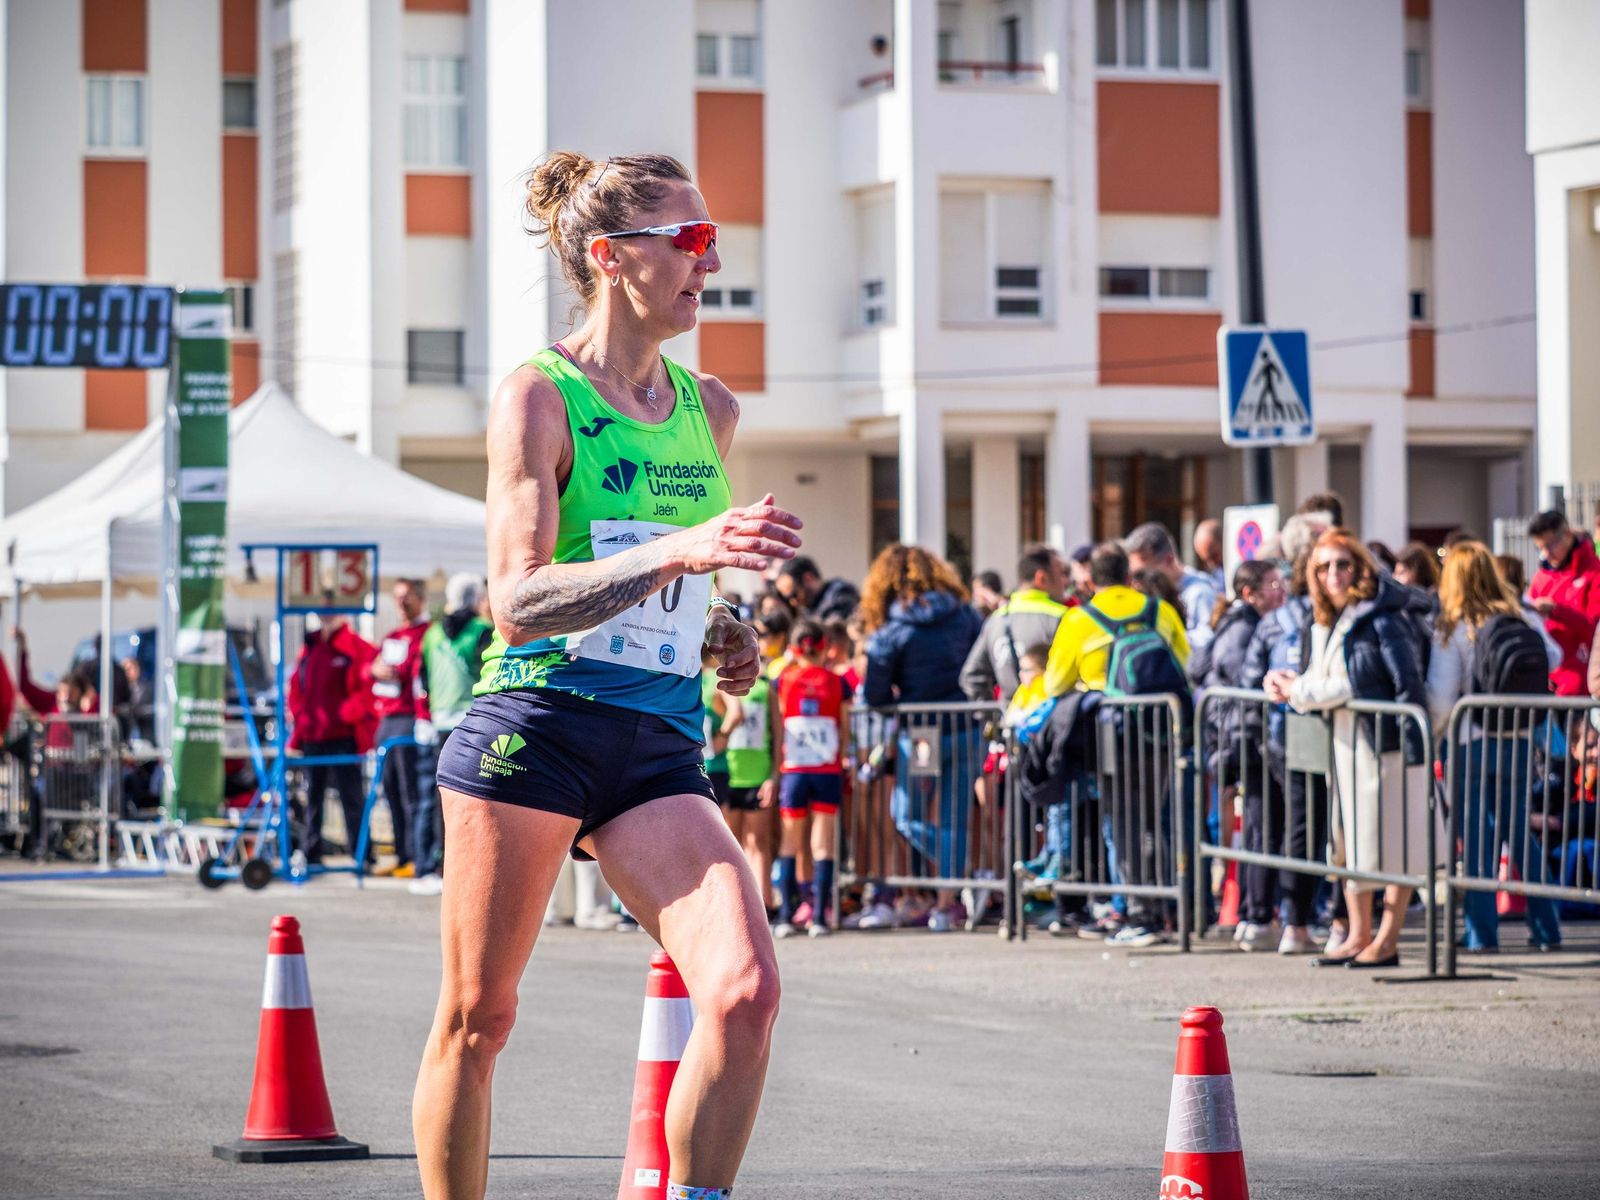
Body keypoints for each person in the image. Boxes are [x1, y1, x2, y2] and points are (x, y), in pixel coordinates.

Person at [416, 150, 801, 1200]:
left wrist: (721, 632)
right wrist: (684, 553)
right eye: (689, 240)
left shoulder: (709, 408)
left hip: (657, 747)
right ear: (610, 256)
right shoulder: (538, 397)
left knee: (745, 992)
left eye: (713, 240)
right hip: (535, 728)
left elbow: (674, 588)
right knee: (479, 1018)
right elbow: (518, 598)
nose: (709, 263)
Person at [1264, 530, 1431, 969]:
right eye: (1323, 567)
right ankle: (1359, 935)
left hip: (1385, 745)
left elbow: (1367, 682)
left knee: (1392, 847)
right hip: (1345, 745)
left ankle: (1386, 940)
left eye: (1342, 563)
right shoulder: (1329, 619)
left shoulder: (1382, 616)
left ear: (1359, 567)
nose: (1333, 574)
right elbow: (1325, 678)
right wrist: (1291, 684)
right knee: (1348, 843)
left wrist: (1299, 689)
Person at [1043, 541, 1190, 947]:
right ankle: (1162, 909)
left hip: (1112, 734)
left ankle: (1140, 914)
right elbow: (1185, 661)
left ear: (1090, 580)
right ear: (1128, 575)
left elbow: (1055, 683)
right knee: (1153, 820)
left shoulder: (1078, 619)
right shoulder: (1158, 609)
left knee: (1123, 826)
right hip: (1160, 728)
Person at [1425, 541, 1561, 953]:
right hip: (1518, 737)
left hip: (1470, 739)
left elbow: (1441, 696)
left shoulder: (1454, 626)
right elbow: (1553, 656)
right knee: (1519, 832)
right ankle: (1547, 928)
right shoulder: (1520, 615)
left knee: (1475, 838)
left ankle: (1481, 934)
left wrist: (1434, 732)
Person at [861, 543, 983, 930]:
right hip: (965, 725)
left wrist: (899, 699)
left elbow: (875, 693)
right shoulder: (965, 614)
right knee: (953, 816)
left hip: (921, 732)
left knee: (907, 815)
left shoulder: (893, 629)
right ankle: (949, 901)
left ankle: (956, 878)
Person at [1240, 513, 1332, 955]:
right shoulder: (1298, 614)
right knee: (1303, 830)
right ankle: (1296, 922)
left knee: (1304, 830)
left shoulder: (1293, 613)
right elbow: (1251, 676)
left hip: (1299, 733)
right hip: (1296, 734)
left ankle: (1298, 920)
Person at [1192, 561, 1286, 951]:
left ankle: (1254, 912)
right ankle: (1256, 914)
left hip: (1243, 738)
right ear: (1250, 593)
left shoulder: (1241, 624)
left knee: (1259, 827)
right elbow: (1239, 682)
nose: (1281, 591)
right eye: (1273, 584)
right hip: (1248, 739)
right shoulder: (1243, 628)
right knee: (1262, 827)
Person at [411, 575, 496, 895]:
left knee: (440, 798)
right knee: (478, 798)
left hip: (440, 722)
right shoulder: (482, 630)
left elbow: (422, 678)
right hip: (474, 720)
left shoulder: (432, 634)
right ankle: (471, 867)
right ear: (476, 599)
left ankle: (439, 865)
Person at [770, 618, 850, 938]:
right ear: (824, 646)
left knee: (790, 840)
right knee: (823, 843)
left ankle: (786, 916)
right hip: (827, 769)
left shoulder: (783, 680)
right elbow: (845, 727)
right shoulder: (837, 682)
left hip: (794, 769)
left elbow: (778, 727)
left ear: (794, 647)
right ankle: (819, 917)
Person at [287, 612, 377, 865]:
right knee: (312, 797)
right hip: (313, 736)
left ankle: (362, 854)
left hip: (343, 736)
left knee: (351, 797)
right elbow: (296, 688)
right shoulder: (311, 646)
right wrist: (300, 722)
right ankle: (311, 851)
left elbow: (367, 688)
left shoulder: (355, 646)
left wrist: (347, 713)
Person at [365, 578, 432, 878]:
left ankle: (417, 855)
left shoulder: (427, 633)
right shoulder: (392, 636)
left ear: (420, 598)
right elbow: (368, 667)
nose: (401, 603)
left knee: (411, 791)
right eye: (397, 597)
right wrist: (374, 669)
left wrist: (398, 670)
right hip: (387, 721)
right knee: (390, 789)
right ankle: (402, 853)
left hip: (409, 718)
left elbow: (416, 670)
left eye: (407, 596)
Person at [960, 543, 1069, 705]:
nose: (1066, 581)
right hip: (1051, 716)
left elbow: (971, 676)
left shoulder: (995, 620)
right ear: (1041, 578)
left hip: (1009, 717)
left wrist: (992, 715)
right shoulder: (1063, 618)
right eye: (1061, 573)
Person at [723, 616, 781, 915]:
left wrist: (774, 775)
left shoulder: (767, 687)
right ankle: (736, 906)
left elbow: (778, 734)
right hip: (728, 774)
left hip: (757, 774)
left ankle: (765, 904)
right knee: (730, 845)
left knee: (758, 843)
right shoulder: (718, 683)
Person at [1527, 509, 1600, 697]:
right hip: (1546, 682)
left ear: (1567, 535)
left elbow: (1595, 628)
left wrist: (1556, 611)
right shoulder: (1541, 577)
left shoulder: (1593, 572)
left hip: (1581, 685)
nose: (1546, 554)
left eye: (1550, 545)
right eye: (1540, 548)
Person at [1125, 521, 1217, 651]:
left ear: (1169, 560)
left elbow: (1207, 640)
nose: (1137, 583)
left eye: (1143, 574)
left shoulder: (1199, 592)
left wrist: (1166, 638)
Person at [775, 555, 859, 623]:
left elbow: (835, 628)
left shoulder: (840, 594)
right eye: (786, 599)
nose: (793, 602)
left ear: (808, 579)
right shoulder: (807, 612)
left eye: (794, 595)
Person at [1193, 518, 1226, 592]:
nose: (1211, 564)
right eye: (1206, 560)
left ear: (1223, 541)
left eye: (1214, 556)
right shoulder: (1216, 574)